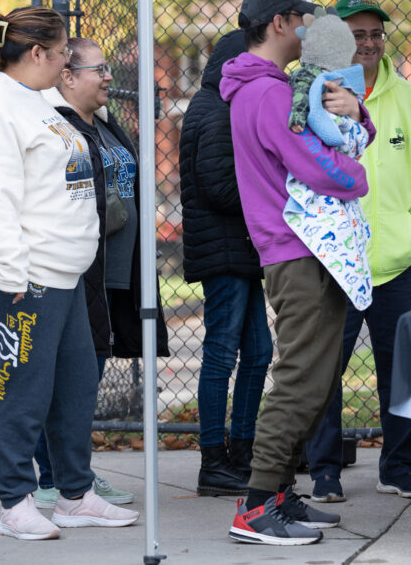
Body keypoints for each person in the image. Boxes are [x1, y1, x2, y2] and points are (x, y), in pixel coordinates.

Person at [0, 6, 139, 540]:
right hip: (22, 275)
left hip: (64, 273)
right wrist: (12, 270)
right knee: (20, 391)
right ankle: (14, 502)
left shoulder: (38, 104)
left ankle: (74, 495)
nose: (65, 64)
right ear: (37, 54)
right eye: (60, 55)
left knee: (76, 386)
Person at [220, 0, 375, 546]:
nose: (310, 33)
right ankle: (257, 504)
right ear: (281, 23)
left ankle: (282, 495)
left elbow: (338, 136)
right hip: (298, 249)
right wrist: (358, 179)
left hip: (311, 249)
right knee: (299, 379)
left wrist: (356, 113)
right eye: (304, 23)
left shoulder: (278, 88)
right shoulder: (264, 95)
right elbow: (318, 166)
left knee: (314, 376)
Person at [304, 0, 411, 504]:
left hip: (395, 263)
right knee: (324, 369)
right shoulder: (315, 94)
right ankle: (323, 471)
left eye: (375, 34)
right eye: (356, 34)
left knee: (400, 370)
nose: (367, 43)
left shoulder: (409, 98)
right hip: (333, 262)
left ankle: (399, 467)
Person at [29, 37, 169, 509]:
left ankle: (76, 476)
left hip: (114, 274)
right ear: (67, 76)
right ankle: (55, 479)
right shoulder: (56, 127)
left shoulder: (103, 124)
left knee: (85, 378)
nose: (110, 76)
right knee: (63, 379)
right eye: (99, 69)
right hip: (78, 271)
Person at [179, 29, 272, 496]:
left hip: (242, 250)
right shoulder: (215, 108)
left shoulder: (227, 103)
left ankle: (242, 451)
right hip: (224, 250)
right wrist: (273, 199)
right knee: (221, 354)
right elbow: (218, 185)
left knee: (258, 352)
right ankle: (213, 461)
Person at [284, 8, 373, 311]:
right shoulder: (304, 78)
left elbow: (363, 133)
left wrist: (356, 113)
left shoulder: (344, 79)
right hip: (328, 203)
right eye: (357, 37)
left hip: (350, 197)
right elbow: (304, 106)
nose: (365, 45)